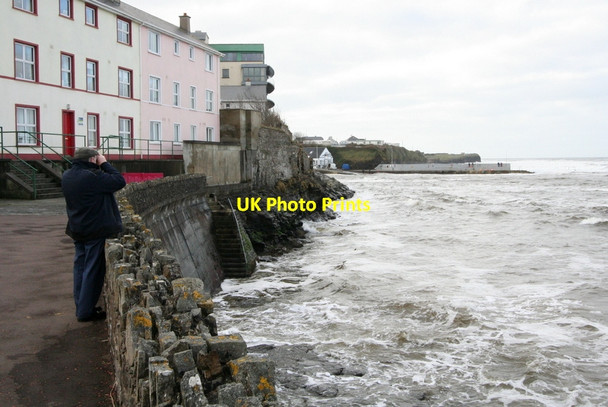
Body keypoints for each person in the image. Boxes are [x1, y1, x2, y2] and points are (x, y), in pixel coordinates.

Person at [62, 148, 126, 322]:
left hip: (77, 228)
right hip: (95, 229)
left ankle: (81, 306)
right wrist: (104, 163)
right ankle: (85, 312)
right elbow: (119, 181)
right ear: (92, 159)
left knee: (80, 268)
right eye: (96, 158)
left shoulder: (67, 175)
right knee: (92, 270)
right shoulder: (92, 177)